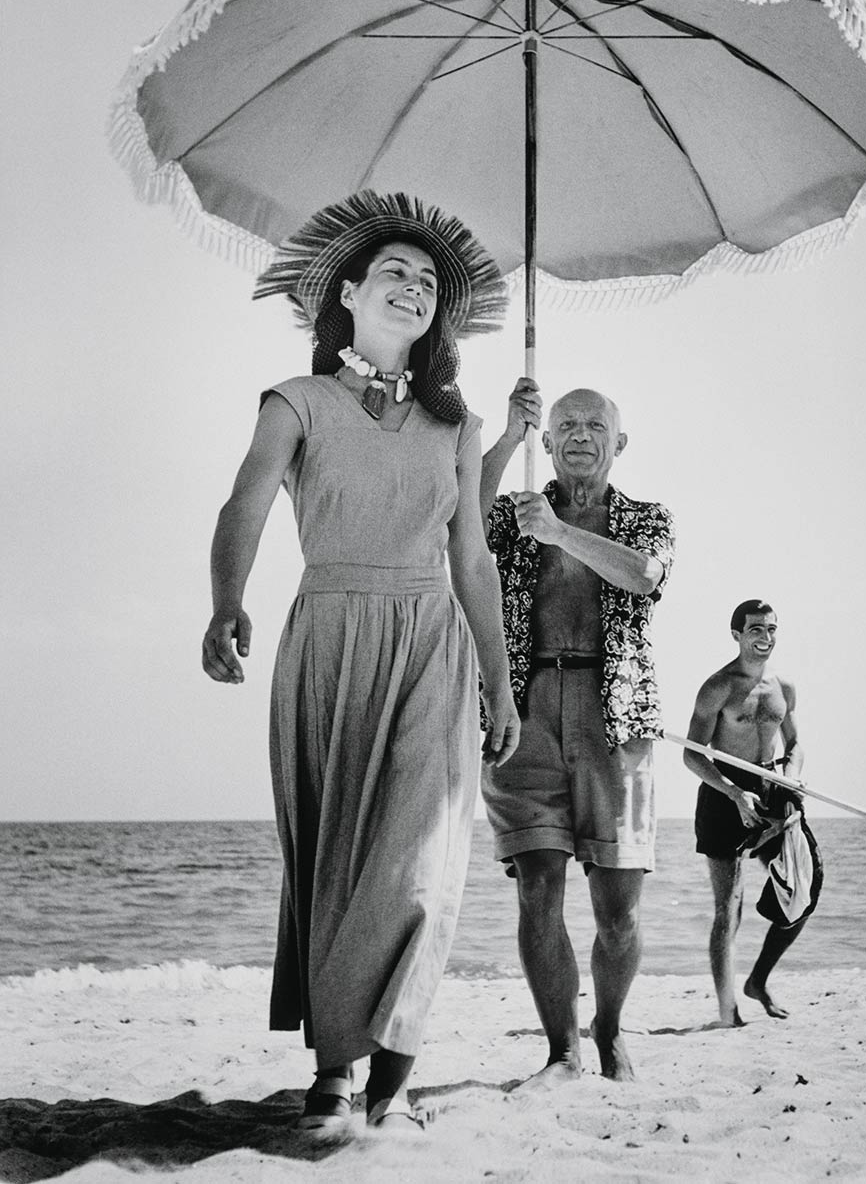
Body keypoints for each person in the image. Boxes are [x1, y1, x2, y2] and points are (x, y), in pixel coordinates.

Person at [201, 191, 520, 1136]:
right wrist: (226, 600)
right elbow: (245, 506)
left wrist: (499, 681)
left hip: (431, 642)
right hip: (330, 636)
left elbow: (472, 560)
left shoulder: (457, 428)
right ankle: (336, 1069)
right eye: (396, 272)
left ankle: (394, 1072)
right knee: (339, 859)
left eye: (428, 281)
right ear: (347, 292)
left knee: (423, 864)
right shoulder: (295, 402)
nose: (414, 287)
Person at [479, 377, 675, 1085]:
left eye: (595, 425)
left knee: (618, 907)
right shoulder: (516, 512)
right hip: (524, 710)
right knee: (537, 887)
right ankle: (560, 1048)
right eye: (566, 425)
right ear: (549, 440)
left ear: (618, 442)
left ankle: (610, 1027)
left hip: (614, 715)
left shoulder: (647, 516)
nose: (581, 435)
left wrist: (560, 532)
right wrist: (506, 436)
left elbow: (645, 577)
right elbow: (458, 522)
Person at [684, 599, 823, 1028]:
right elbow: (692, 755)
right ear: (737, 635)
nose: (765, 638)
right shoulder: (718, 687)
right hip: (724, 792)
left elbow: (795, 744)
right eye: (756, 630)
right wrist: (731, 792)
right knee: (730, 906)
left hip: (773, 786)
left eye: (771, 629)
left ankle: (758, 981)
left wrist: (792, 775)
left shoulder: (784, 687)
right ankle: (728, 1011)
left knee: (805, 888)